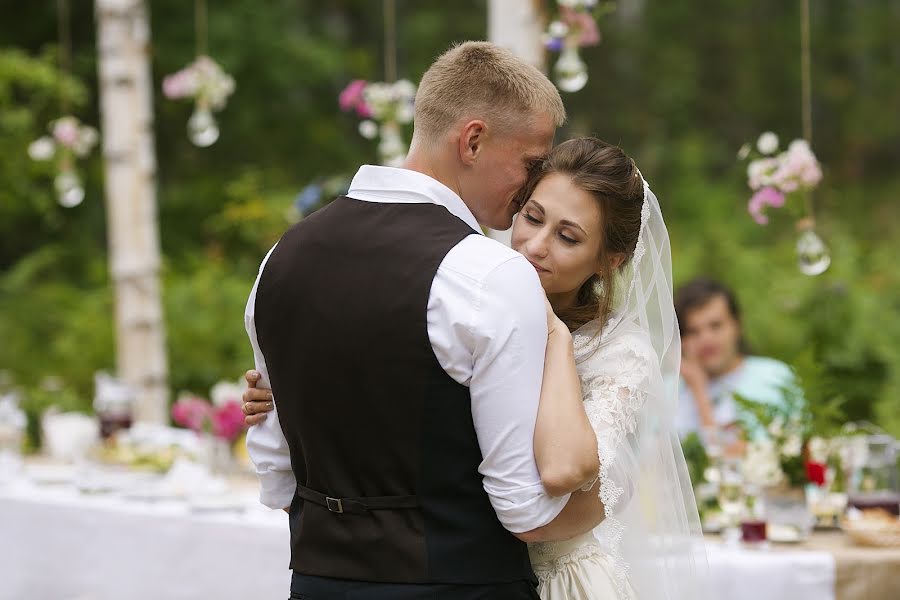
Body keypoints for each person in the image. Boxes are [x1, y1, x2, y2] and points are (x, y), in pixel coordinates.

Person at [245, 137, 708, 599]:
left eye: (568, 237)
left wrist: (556, 339)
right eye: (532, 217)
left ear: (610, 260)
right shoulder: (472, 298)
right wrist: (291, 393)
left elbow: (565, 471)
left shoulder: (618, 354)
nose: (536, 246)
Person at [244, 42, 603, 600]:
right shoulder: (489, 274)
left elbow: (275, 474)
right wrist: (609, 505)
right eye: (531, 163)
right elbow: (524, 509)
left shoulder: (281, 258)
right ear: (474, 140)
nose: (533, 183)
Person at [674, 277, 801, 451]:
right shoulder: (668, 391)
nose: (706, 339)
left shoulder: (776, 377)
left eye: (716, 326)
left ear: (737, 324)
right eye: (693, 332)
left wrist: (700, 394)